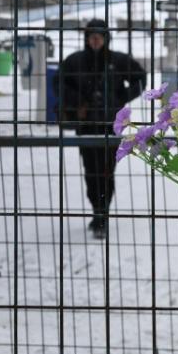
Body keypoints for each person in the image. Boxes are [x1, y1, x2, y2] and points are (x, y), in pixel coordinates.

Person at [58, 19, 145, 238]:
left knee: (106, 172)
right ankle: (96, 210)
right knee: (90, 171)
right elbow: (58, 83)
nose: (95, 40)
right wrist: (77, 102)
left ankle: (103, 213)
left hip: (109, 125)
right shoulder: (75, 61)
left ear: (106, 38)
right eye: (91, 36)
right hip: (86, 125)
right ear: (87, 38)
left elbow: (140, 78)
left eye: (99, 35)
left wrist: (120, 99)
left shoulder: (118, 60)